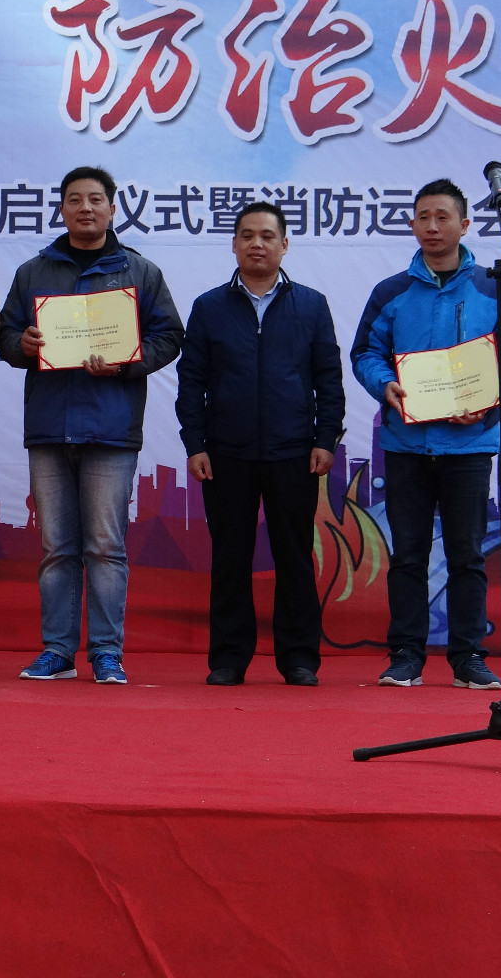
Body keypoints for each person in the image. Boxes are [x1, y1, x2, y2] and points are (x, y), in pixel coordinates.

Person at [0, 165, 183, 685]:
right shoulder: (33, 271)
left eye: (95, 199)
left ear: (112, 208)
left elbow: (170, 336)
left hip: (111, 428)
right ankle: (57, 651)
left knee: (105, 546)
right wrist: (22, 345)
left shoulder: (140, 272)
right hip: (49, 427)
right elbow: (5, 336)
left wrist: (126, 361)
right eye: (75, 199)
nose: (85, 208)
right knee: (56, 547)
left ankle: (106, 651)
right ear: (61, 208)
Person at [351, 178, 501, 690]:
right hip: (406, 444)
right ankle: (406, 655)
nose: (432, 226)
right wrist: (383, 384)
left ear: (465, 224)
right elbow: (365, 353)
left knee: (467, 555)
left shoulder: (493, 287)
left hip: (469, 445)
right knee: (407, 554)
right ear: (412, 224)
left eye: (442, 217)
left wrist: (489, 397)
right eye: (423, 217)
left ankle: (468, 656)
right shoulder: (391, 292)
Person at [176, 202, 345, 687]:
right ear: (234, 244)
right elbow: (192, 382)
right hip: (225, 452)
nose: (257, 244)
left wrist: (325, 439)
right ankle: (229, 658)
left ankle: (299, 658)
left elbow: (328, 380)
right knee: (230, 556)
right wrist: (195, 443)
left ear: (284, 245)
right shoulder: (209, 306)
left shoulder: (310, 305)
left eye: (267, 236)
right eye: (247, 235)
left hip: (294, 451)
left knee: (294, 555)